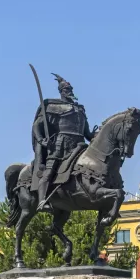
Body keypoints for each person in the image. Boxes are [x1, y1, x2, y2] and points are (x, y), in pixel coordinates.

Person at [32, 73, 96, 211]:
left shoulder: (80, 110)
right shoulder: (54, 107)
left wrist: (99, 135)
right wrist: (41, 140)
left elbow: (87, 134)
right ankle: (42, 201)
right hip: (60, 146)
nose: (70, 92)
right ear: (61, 92)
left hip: (80, 146)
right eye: (67, 90)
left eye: (71, 89)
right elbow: (37, 125)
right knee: (49, 172)